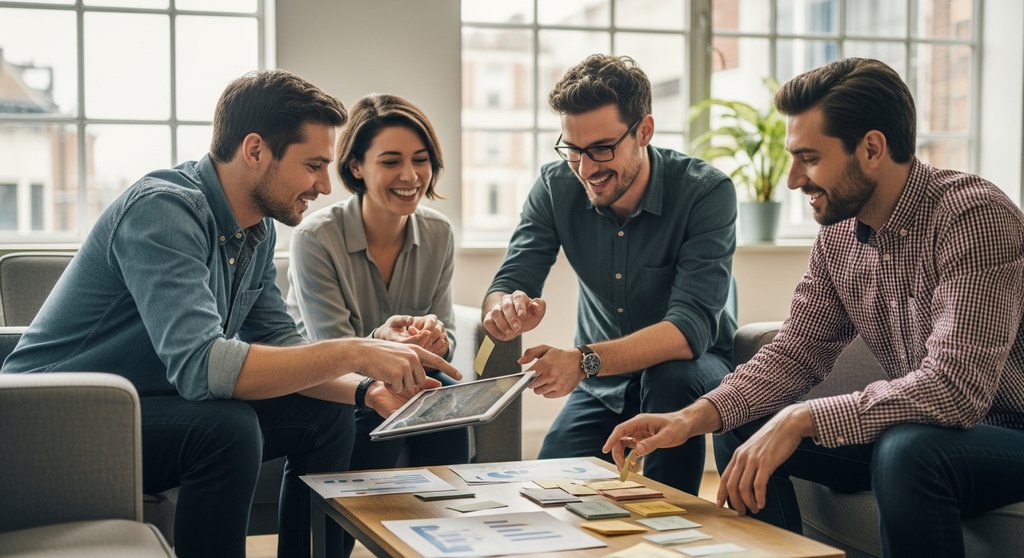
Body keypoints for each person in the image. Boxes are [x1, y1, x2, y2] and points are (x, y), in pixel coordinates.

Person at [1, 70, 460, 558]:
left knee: (328, 414)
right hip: (49, 420)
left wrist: (367, 391)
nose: (325, 186)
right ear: (255, 150)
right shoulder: (163, 210)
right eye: (313, 166)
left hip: (149, 405)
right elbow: (204, 369)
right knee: (225, 428)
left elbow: (283, 343)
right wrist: (356, 351)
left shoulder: (256, 230)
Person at [603, 57, 1024, 558]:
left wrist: (803, 417)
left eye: (809, 158)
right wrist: (693, 416)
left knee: (909, 450)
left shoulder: (972, 218)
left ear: (871, 149)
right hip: (926, 428)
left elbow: (955, 389)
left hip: (1006, 433)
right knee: (742, 422)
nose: (792, 180)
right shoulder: (839, 234)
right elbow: (796, 351)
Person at [482, 54, 737, 496]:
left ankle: (670, 518)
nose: (586, 169)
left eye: (601, 149)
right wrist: (505, 308)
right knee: (546, 492)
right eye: (573, 150)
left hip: (693, 369)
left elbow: (688, 330)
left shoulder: (706, 192)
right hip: (602, 383)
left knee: (670, 380)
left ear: (644, 131)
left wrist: (582, 361)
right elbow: (511, 278)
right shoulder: (555, 186)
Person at [285, 93, 470, 557]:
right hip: (327, 383)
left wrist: (434, 339)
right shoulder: (316, 238)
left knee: (448, 408)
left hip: (402, 380)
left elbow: (445, 334)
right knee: (372, 419)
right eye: (391, 161)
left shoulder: (438, 233)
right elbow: (330, 350)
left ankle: (444, 545)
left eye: (420, 160)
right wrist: (380, 345)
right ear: (356, 167)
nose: (410, 175)